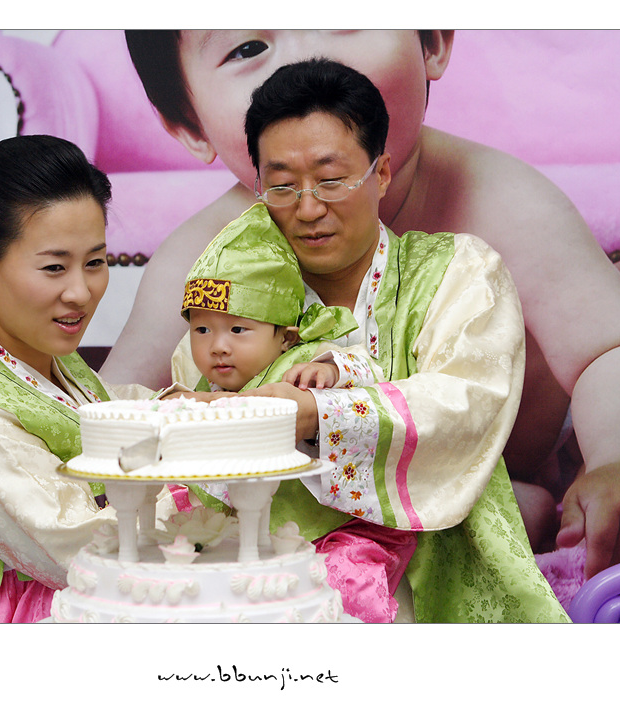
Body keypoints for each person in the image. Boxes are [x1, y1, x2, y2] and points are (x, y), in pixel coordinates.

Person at [105, 30, 620, 578]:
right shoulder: (206, 257)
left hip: (537, 409)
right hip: (360, 492)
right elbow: (110, 405)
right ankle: (508, 500)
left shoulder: (504, 200)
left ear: (431, 41)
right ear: (190, 124)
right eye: (248, 47)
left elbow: (612, 347)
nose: (309, 64)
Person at [206, 57, 569, 622]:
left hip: (434, 569)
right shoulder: (241, 292)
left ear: (380, 174)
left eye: (331, 180)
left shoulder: (457, 270)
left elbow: (468, 400)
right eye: (282, 186)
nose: (308, 208)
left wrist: (319, 414)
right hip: (270, 574)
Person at [0, 135, 175, 623]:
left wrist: (195, 408)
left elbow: (97, 410)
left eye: (94, 262)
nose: (81, 292)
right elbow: (87, 555)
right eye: (54, 267)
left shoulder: (33, 350)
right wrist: (196, 483)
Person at [176, 201, 380, 394]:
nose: (218, 347)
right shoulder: (202, 382)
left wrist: (333, 371)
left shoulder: (306, 359)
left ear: (287, 338)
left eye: (237, 329)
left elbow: (372, 369)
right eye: (202, 330)